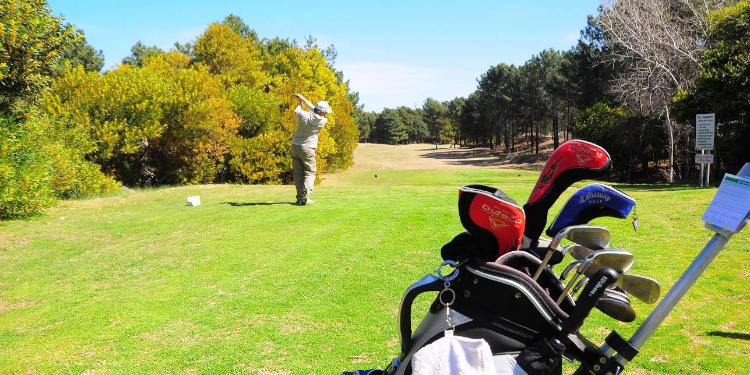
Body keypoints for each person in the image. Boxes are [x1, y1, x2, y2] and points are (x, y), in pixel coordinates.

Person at [290, 93, 332, 205]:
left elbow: (297, 111)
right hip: (308, 148)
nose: (326, 113)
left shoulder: (303, 115)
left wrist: (300, 102)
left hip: (295, 146)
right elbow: (313, 109)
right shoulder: (322, 120)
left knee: (298, 173)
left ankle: (300, 197)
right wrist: (303, 99)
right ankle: (306, 194)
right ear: (322, 112)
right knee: (310, 172)